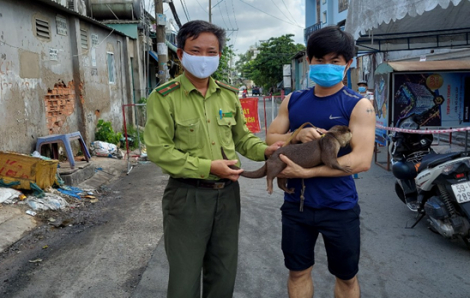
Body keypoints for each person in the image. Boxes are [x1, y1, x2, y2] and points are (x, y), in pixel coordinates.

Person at [143, 20, 283, 298]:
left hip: (228, 197)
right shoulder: (164, 97)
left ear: (219, 55)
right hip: (187, 198)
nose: (204, 58)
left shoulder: (229, 95)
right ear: (181, 55)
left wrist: (265, 151)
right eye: (196, 51)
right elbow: (159, 150)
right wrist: (208, 167)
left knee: (223, 274)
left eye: (212, 52)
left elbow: (242, 138)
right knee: (184, 280)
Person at [265, 26, 376, 298]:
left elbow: (361, 161)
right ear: (309, 61)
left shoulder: (359, 105)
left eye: (335, 61)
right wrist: (295, 134)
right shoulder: (293, 100)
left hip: (339, 206)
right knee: (298, 272)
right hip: (296, 207)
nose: (326, 66)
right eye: (320, 60)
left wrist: (308, 172)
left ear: (348, 64)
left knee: (346, 277)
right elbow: (270, 139)